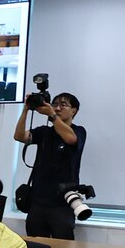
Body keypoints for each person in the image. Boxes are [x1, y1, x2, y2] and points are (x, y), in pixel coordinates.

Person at [14, 91, 86, 239]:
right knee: (36, 247)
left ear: (74, 110)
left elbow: (70, 139)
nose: (58, 108)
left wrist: (52, 115)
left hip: (62, 202)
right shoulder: (44, 131)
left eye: (63, 105)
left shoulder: (79, 131)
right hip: (38, 200)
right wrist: (26, 110)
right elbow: (19, 136)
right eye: (55, 104)